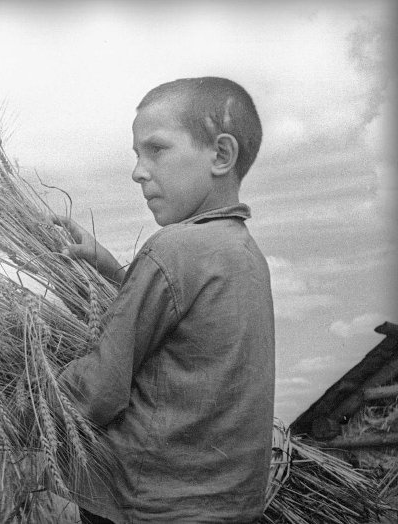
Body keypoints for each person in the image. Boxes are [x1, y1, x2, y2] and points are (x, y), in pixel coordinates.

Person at [54, 77, 275, 523]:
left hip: (145, 505)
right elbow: (184, 329)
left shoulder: (173, 249)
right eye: (137, 155)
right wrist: (112, 268)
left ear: (221, 155)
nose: (138, 171)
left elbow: (100, 392)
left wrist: (34, 389)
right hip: (223, 505)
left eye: (156, 149)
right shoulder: (243, 253)